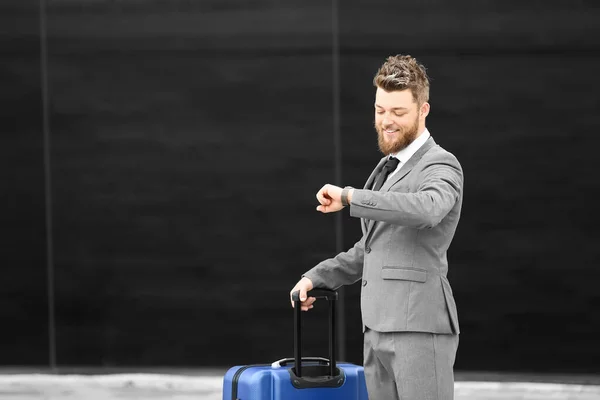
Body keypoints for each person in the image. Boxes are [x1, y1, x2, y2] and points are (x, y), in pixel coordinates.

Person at [289, 54, 464, 400]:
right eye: (380, 110)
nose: (387, 121)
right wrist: (318, 277)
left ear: (423, 110)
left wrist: (351, 196)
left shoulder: (440, 164)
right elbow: (372, 247)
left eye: (398, 112)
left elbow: (428, 209)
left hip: (419, 328)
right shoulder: (388, 167)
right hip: (375, 330)